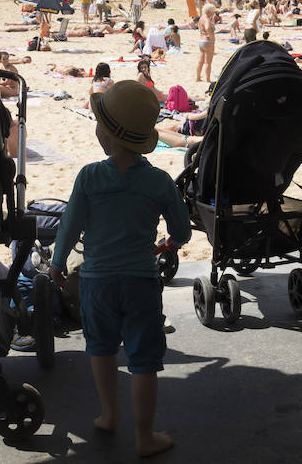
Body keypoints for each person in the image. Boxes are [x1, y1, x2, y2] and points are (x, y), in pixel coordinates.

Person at [50, 80, 190, 457]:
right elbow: (183, 230)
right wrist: (168, 242)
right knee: (144, 359)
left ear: (105, 132)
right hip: (142, 282)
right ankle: (145, 437)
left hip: (96, 282)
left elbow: (69, 227)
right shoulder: (159, 181)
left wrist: (57, 263)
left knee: (101, 347)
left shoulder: (90, 176)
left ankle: (109, 414)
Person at [196, 4, 216, 83]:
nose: (213, 13)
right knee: (208, 62)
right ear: (209, 11)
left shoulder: (201, 18)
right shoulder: (207, 19)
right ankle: (208, 79)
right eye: (213, 12)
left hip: (201, 41)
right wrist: (210, 35)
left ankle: (197, 78)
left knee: (200, 61)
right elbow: (207, 28)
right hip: (208, 42)